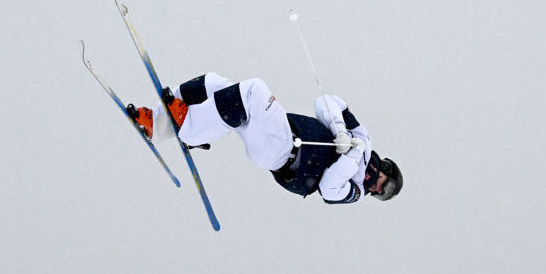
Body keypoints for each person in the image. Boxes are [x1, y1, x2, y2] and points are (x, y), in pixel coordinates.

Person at [126, 73, 402, 204]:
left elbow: (330, 186)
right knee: (215, 84)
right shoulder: (361, 139)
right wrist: (341, 131)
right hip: (283, 129)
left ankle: (190, 129)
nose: (377, 190)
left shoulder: (353, 192)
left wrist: (352, 156)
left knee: (254, 91)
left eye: (382, 195)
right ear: (386, 169)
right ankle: (158, 124)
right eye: (385, 186)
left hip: (282, 155)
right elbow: (326, 102)